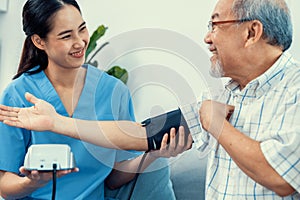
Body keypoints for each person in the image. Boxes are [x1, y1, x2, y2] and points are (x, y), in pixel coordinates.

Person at [0, 0, 192, 199]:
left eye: (82, 29)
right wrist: (32, 182)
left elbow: (114, 177)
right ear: (39, 41)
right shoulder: (17, 95)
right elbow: (4, 186)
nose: (80, 42)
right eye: (66, 36)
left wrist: (154, 154)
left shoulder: (113, 91)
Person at [188, 0, 299, 198]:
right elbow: (149, 133)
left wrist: (216, 124)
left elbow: (281, 177)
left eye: (215, 26)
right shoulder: (223, 92)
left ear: (251, 33)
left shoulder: (295, 89)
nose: (207, 38)